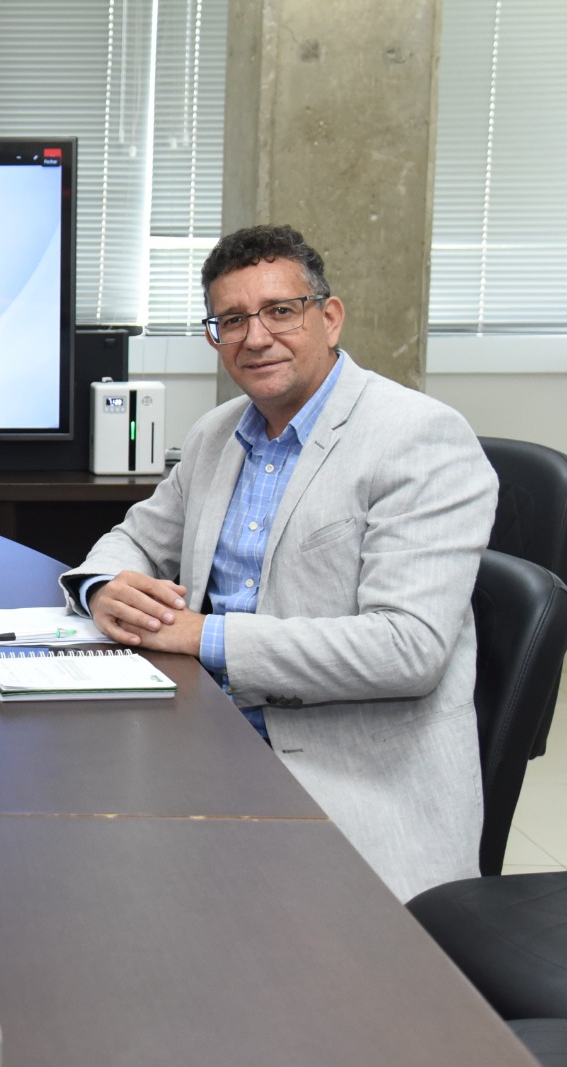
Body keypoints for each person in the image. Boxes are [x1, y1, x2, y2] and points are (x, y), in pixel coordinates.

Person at [59, 224, 498, 902]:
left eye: (279, 311)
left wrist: (202, 634)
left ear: (329, 316)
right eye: (231, 320)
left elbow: (408, 648)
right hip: (203, 734)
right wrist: (103, 587)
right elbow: (134, 537)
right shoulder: (218, 432)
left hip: (346, 776)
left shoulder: (419, 437)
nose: (254, 337)